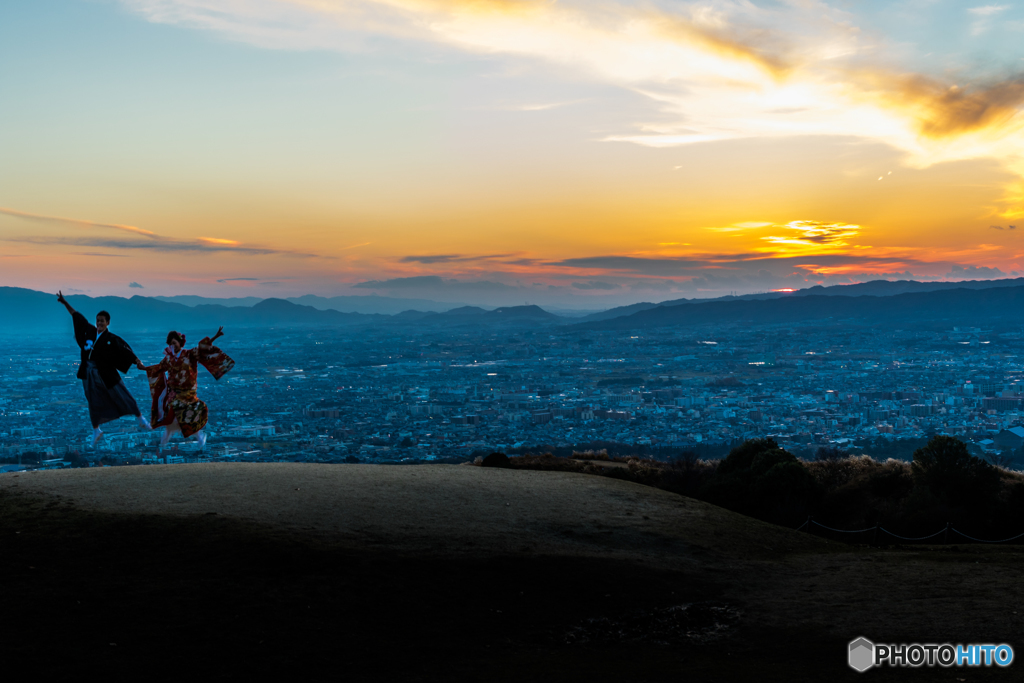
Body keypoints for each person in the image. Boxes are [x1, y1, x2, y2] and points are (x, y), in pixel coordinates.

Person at [56, 290, 150, 446]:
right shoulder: (89, 332)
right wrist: (65, 303)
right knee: (92, 401)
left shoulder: (111, 339)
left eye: (102, 321)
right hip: (89, 372)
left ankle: (141, 418)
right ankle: (96, 430)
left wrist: (137, 362)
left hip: (106, 373)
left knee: (122, 393)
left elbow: (125, 350)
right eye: (98, 321)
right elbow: (76, 316)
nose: (99, 324)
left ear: (108, 323)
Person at [137, 327, 234, 452]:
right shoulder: (168, 359)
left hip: (188, 391)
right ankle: (170, 436)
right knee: (171, 414)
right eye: (170, 344)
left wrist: (215, 337)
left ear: (180, 343)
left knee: (183, 412)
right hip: (173, 391)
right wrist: (144, 368)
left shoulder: (189, 354)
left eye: (174, 343)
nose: (172, 346)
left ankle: (192, 436)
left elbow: (202, 348)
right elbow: (159, 368)